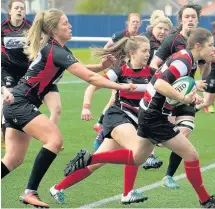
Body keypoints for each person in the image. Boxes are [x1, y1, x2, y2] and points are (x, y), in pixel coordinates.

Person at [64, 28, 215, 208]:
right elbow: (160, 84)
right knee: (191, 155)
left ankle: (89, 159)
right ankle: (206, 201)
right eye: (211, 45)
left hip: (147, 111)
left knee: (136, 159)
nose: (214, 49)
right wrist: (182, 98)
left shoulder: (187, 58)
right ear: (198, 46)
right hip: (154, 116)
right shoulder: (184, 61)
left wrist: (189, 94)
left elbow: (169, 84)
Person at [1, 9, 134, 208]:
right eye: (65, 23)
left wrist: (101, 66)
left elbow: (84, 69)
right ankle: (30, 192)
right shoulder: (56, 50)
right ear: (54, 29)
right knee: (54, 140)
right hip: (21, 104)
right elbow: (88, 78)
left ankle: (30, 192)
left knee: (13, 159)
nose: (70, 26)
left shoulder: (58, 49)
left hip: (16, 105)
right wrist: (121, 86)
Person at [51, 35, 154, 205]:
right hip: (118, 116)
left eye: (149, 51)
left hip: (134, 120)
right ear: (132, 53)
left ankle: (58, 187)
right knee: (137, 149)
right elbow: (93, 86)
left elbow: (165, 91)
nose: (148, 54)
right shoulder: (119, 72)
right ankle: (127, 194)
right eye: (144, 51)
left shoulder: (151, 73)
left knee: (96, 163)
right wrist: (86, 106)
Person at [150, 4, 209, 189]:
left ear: (197, 20)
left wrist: (206, 63)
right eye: (187, 17)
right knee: (155, 136)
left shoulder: (200, 41)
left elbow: (202, 71)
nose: (190, 19)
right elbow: (154, 65)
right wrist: (163, 85)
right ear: (181, 20)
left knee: (185, 132)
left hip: (187, 95)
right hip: (168, 95)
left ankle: (168, 176)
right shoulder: (172, 40)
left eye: (193, 17)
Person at [91, 13, 142, 147]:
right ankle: (101, 123)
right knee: (114, 98)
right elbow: (107, 47)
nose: (135, 24)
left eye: (137, 22)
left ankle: (101, 124)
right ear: (128, 23)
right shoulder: (120, 35)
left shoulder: (140, 38)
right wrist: (106, 64)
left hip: (130, 73)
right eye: (133, 22)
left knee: (115, 98)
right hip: (120, 72)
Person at [140, 10, 173, 169]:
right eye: (159, 28)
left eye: (166, 29)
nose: (162, 31)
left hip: (155, 85)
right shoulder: (145, 41)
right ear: (153, 27)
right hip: (141, 82)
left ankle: (149, 155)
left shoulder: (167, 45)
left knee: (151, 118)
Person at [1, 0, 31, 148]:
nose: (19, 10)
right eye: (16, 8)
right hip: (7, 68)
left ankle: (19, 128)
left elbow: (37, 46)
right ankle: (3, 129)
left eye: (22, 8)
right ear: (10, 11)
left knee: (23, 99)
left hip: (26, 70)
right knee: (8, 96)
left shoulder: (30, 27)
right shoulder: (2, 28)